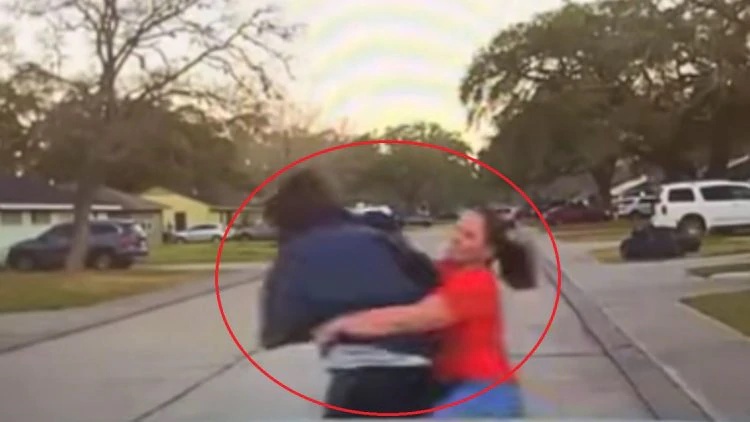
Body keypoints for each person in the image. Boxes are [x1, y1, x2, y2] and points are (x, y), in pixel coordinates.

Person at [314, 207, 537, 418]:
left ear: (488, 251)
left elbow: (412, 318)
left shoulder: (477, 281)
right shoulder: (448, 271)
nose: (456, 238)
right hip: (452, 386)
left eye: (469, 236)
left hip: (482, 394)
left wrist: (343, 325)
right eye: (458, 229)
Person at [260, 168, 439, 417]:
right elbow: (429, 279)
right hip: (418, 371)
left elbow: (278, 327)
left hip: (358, 376)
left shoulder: (296, 253)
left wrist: (322, 325)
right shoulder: (380, 237)